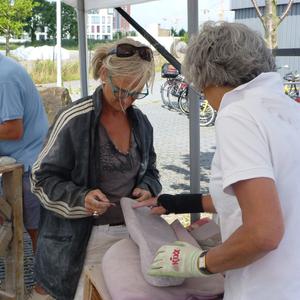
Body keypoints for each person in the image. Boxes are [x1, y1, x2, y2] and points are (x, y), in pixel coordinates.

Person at [133, 21, 300, 300]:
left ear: (209, 77)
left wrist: (201, 262)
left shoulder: (238, 114)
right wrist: (181, 202)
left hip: (264, 288)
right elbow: (269, 196)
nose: (206, 99)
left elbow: (263, 233)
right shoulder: (286, 110)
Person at [29, 38, 162, 300]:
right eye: (122, 91)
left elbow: (153, 172)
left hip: (130, 235)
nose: (128, 101)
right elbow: (40, 178)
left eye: (137, 93)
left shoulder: (141, 123)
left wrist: (147, 187)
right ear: (104, 74)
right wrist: (82, 198)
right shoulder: (75, 119)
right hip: (77, 244)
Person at [0, 53, 48, 252]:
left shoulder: (5, 78)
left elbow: (13, 130)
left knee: (38, 229)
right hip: (16, 158)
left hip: (31, 161)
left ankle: (43, 282)